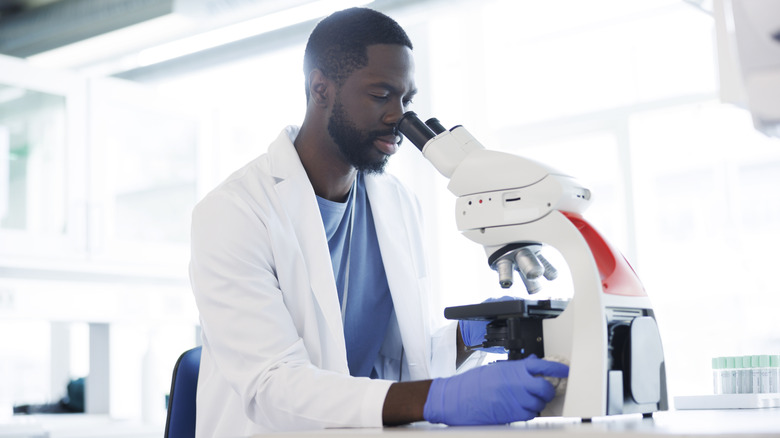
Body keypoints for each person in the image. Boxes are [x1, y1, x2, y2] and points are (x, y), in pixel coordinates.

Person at [189, 7, 568, 436]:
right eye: (381, 94)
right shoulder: (234, 212)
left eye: (407, 100)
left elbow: (401, 357)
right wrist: (440, 398)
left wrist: (475, 332)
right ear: (321, 89)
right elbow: (274, 387)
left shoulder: (396, 203)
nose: (400, 117)